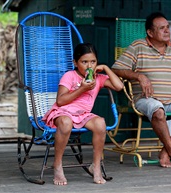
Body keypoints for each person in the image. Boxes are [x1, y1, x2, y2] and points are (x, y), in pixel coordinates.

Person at [111, 12, 171, 168]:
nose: (167, 31)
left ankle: (167, 151)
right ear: (150, 32)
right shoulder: (138, 46)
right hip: (145, 99)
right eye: (162, 28)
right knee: (158, 110)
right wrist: (139, 76)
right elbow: (116, 69)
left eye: (168, 27)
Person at [42, 43, 123, 185]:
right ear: (75, 62)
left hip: (82, 114)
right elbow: (60, 101)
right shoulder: (70, 76)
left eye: (93, 62)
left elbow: (119, 86)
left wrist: (105, 68)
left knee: (100, 123)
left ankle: (96, 165)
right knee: (66, 123)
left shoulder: (98, 78)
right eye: (84, 62)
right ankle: (57, 165)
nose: (89, 66)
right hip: (62, 112)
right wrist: (82, 89)